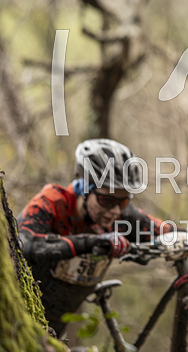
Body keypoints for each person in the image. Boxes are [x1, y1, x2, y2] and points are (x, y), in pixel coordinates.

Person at [18, 139, 162, 338]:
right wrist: (88, 243)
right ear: (85, 188)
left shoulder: (121, 215)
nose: (115, 211)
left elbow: (165, 230)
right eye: (106, 200)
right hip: (15, 313)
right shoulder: (52, 201)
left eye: (123, 202)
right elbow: (25, 244)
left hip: (52, 332)